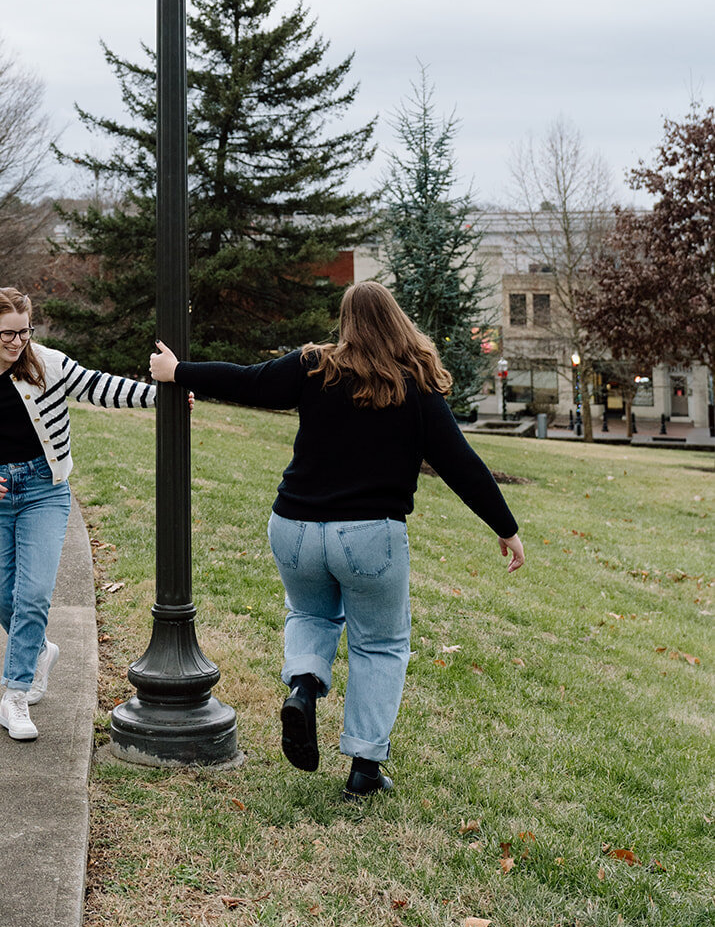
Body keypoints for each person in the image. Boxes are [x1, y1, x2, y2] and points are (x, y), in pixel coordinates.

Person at [149, 281, 524, 799]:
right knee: (380, 646)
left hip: (295, 527)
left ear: (345, 322)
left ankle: (303, 687)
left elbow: (248, 382)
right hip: (370, 535)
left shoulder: (314, 366)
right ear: (397, 320)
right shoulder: (414, 382)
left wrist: (178, 372)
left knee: (309, 616)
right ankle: (364, 770)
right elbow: (461, 463)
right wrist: (505, 527)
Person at [0, 286, 156, 742]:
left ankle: (15, 697)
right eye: (8, 334)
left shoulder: (47, 364)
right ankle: (38, 651)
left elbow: (100, 386)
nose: (18, 343)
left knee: (33, 593)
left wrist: (161, 396)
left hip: (43, 491)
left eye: (25, 332)